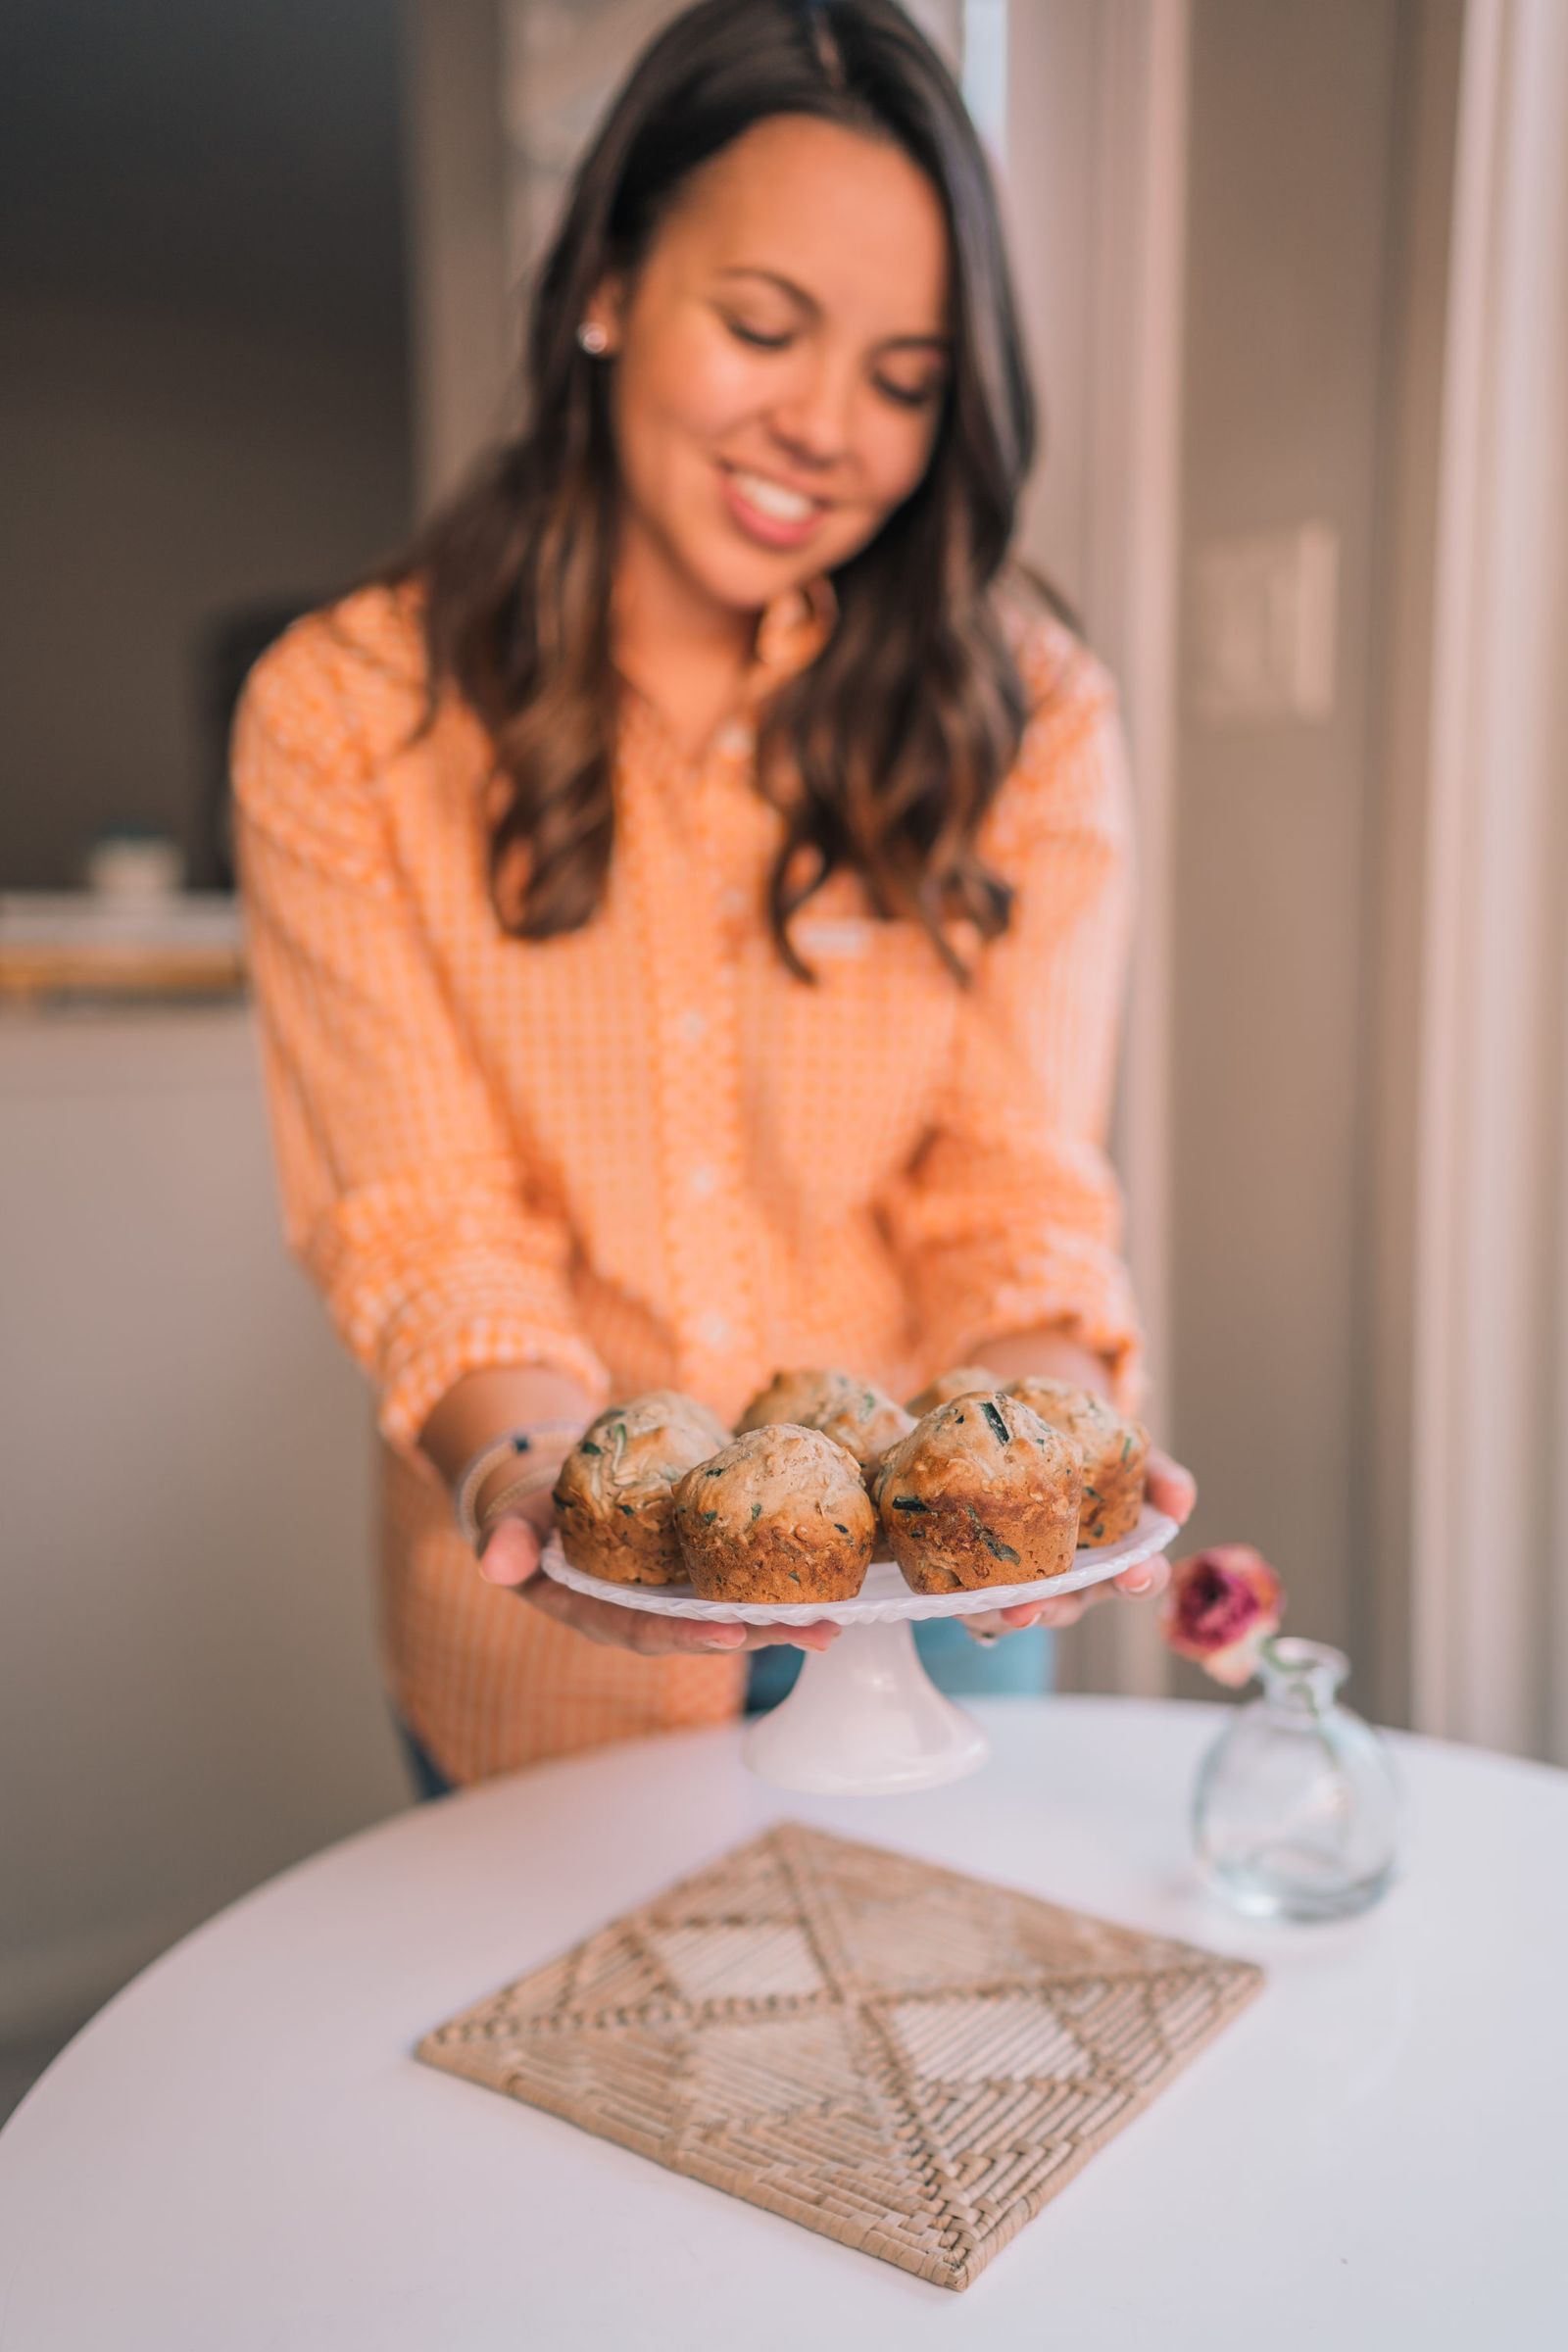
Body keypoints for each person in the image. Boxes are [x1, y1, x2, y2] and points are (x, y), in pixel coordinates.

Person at [231, 0, 1196, 1801]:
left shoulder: (1030, 718)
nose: (824, 428)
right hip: (540, 1648)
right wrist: (537, 1476)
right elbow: (426, 1220)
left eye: (905, 379)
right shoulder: (348, 715)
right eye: (764, 327)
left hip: (934, 1622)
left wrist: (1047, 1449)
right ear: (606, 283)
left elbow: (1010, 1192)